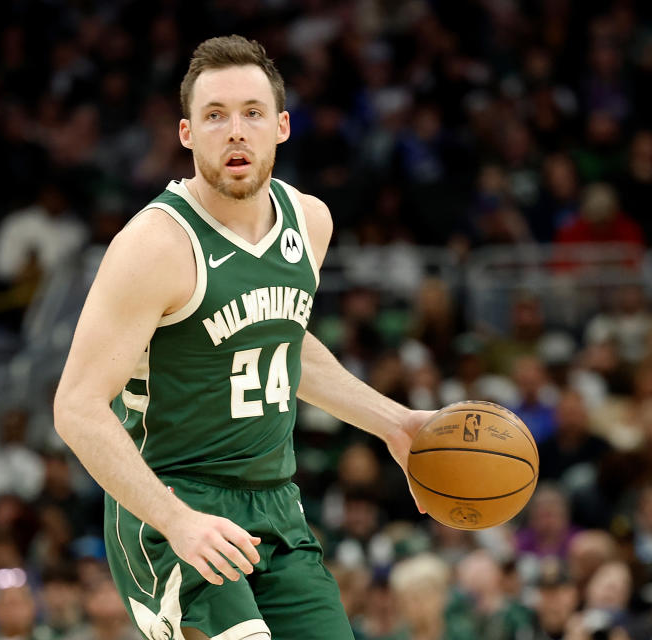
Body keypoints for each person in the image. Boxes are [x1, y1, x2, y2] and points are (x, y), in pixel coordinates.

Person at [54, 35, 432, 640]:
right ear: (186, 135)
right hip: (170, 505)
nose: (235, 131)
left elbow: (284, 344)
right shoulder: (155, 246)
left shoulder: (310, 221)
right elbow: (76, 408)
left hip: (276, 505)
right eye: (215, 116)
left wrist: (394, 422)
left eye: (252, 113)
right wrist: (176, 520)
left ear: (281, 126)